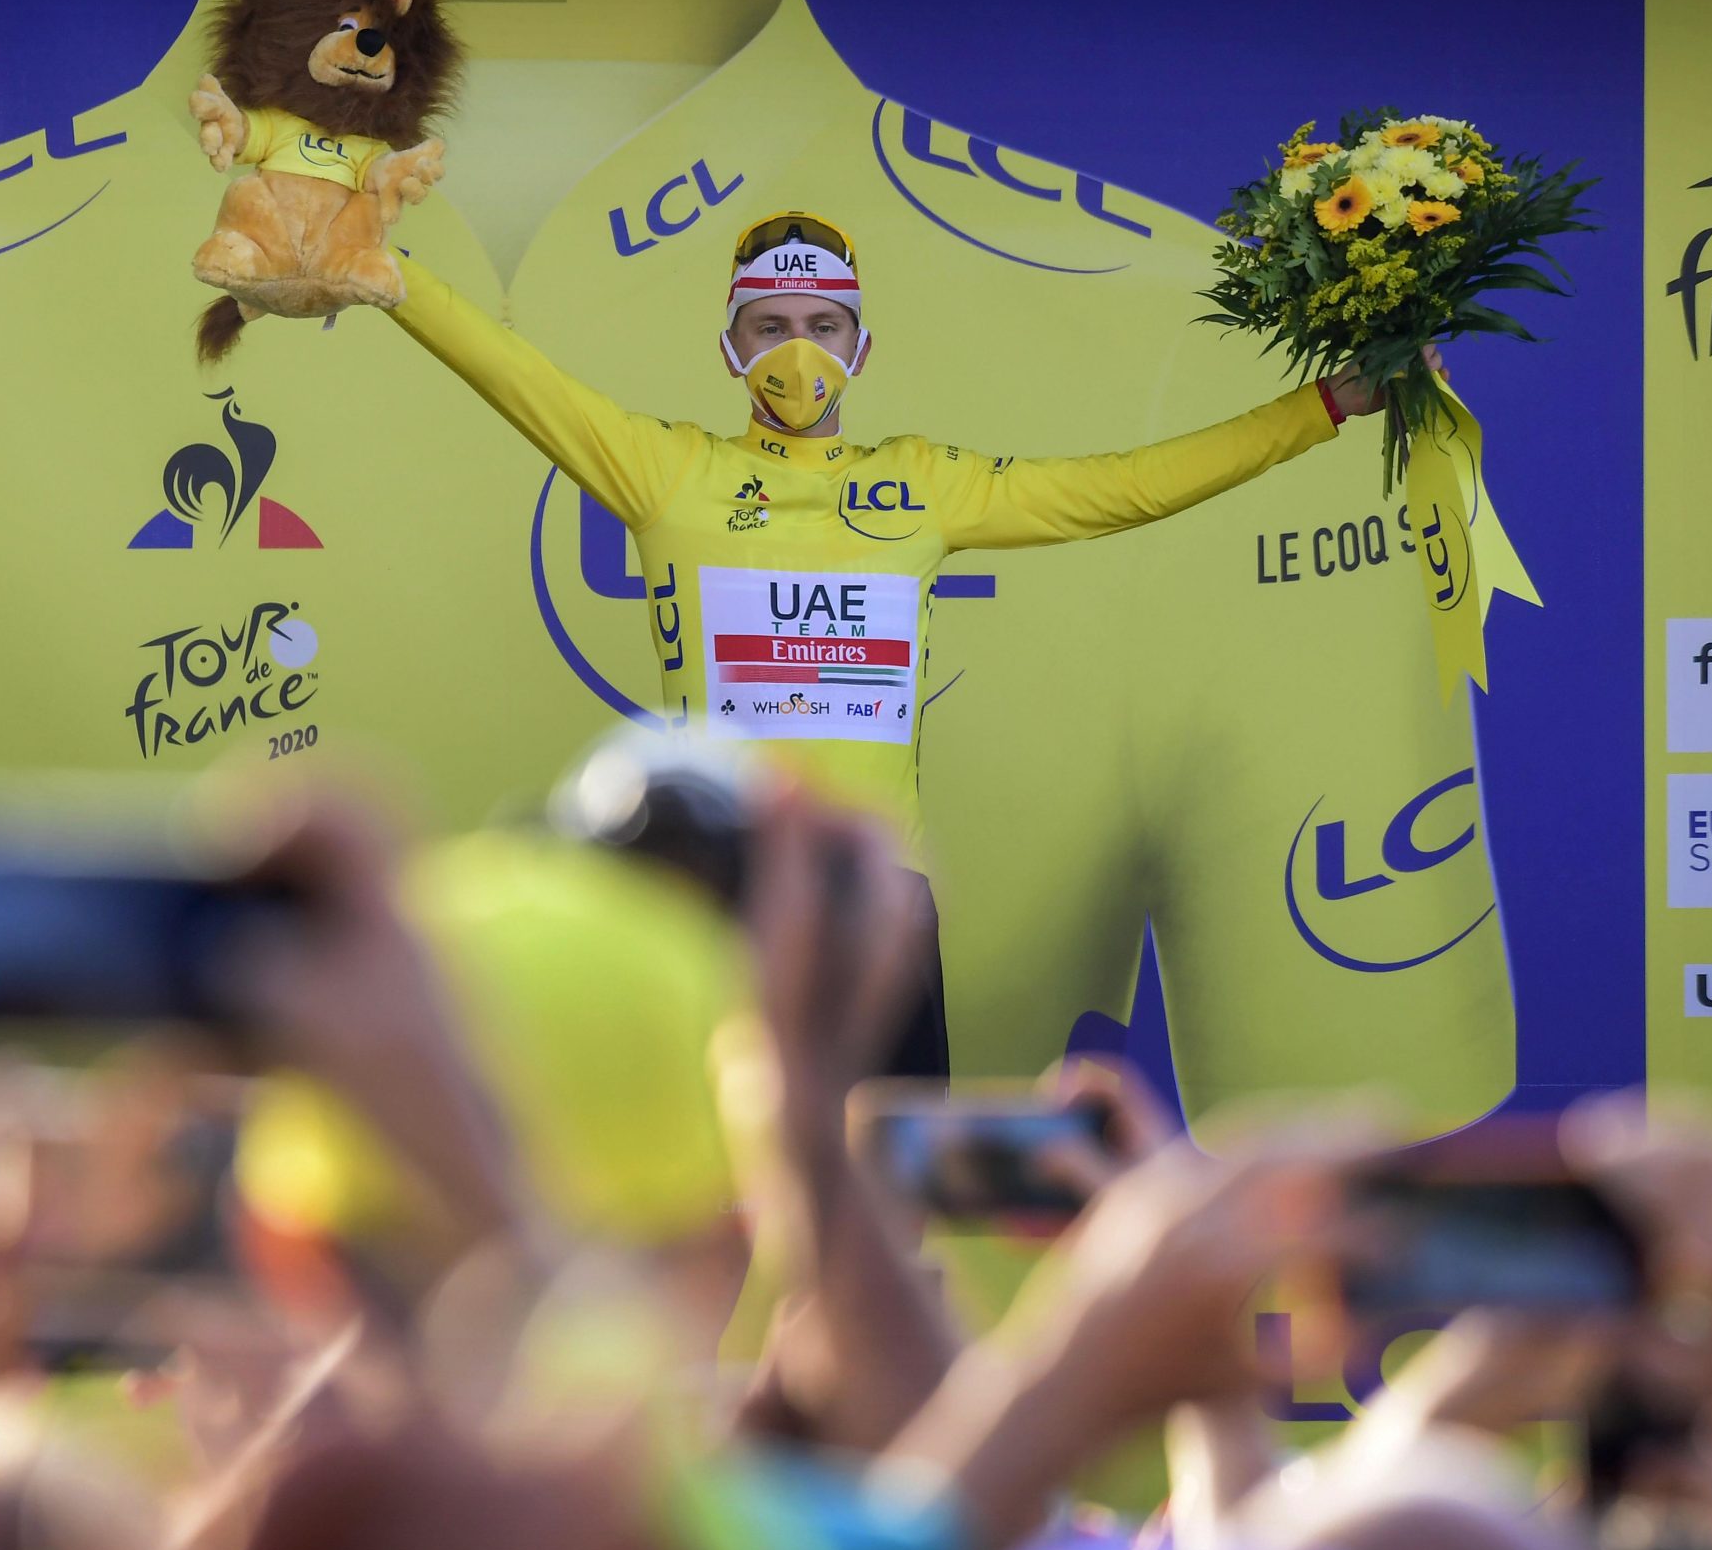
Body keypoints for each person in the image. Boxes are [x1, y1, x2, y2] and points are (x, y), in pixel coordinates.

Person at [376, 209, 1437, 1078]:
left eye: (825, 325)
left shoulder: (925, 484)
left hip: (874, 891)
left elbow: (1122, 488)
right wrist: (381, 270)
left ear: (861, 347)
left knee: (885, 1189)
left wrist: (1326, 405)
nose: (799, 348)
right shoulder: (664, 471)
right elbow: (513, 374)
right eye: (772, 324)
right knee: (717, 1188)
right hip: (713, 889)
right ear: (731, 348)